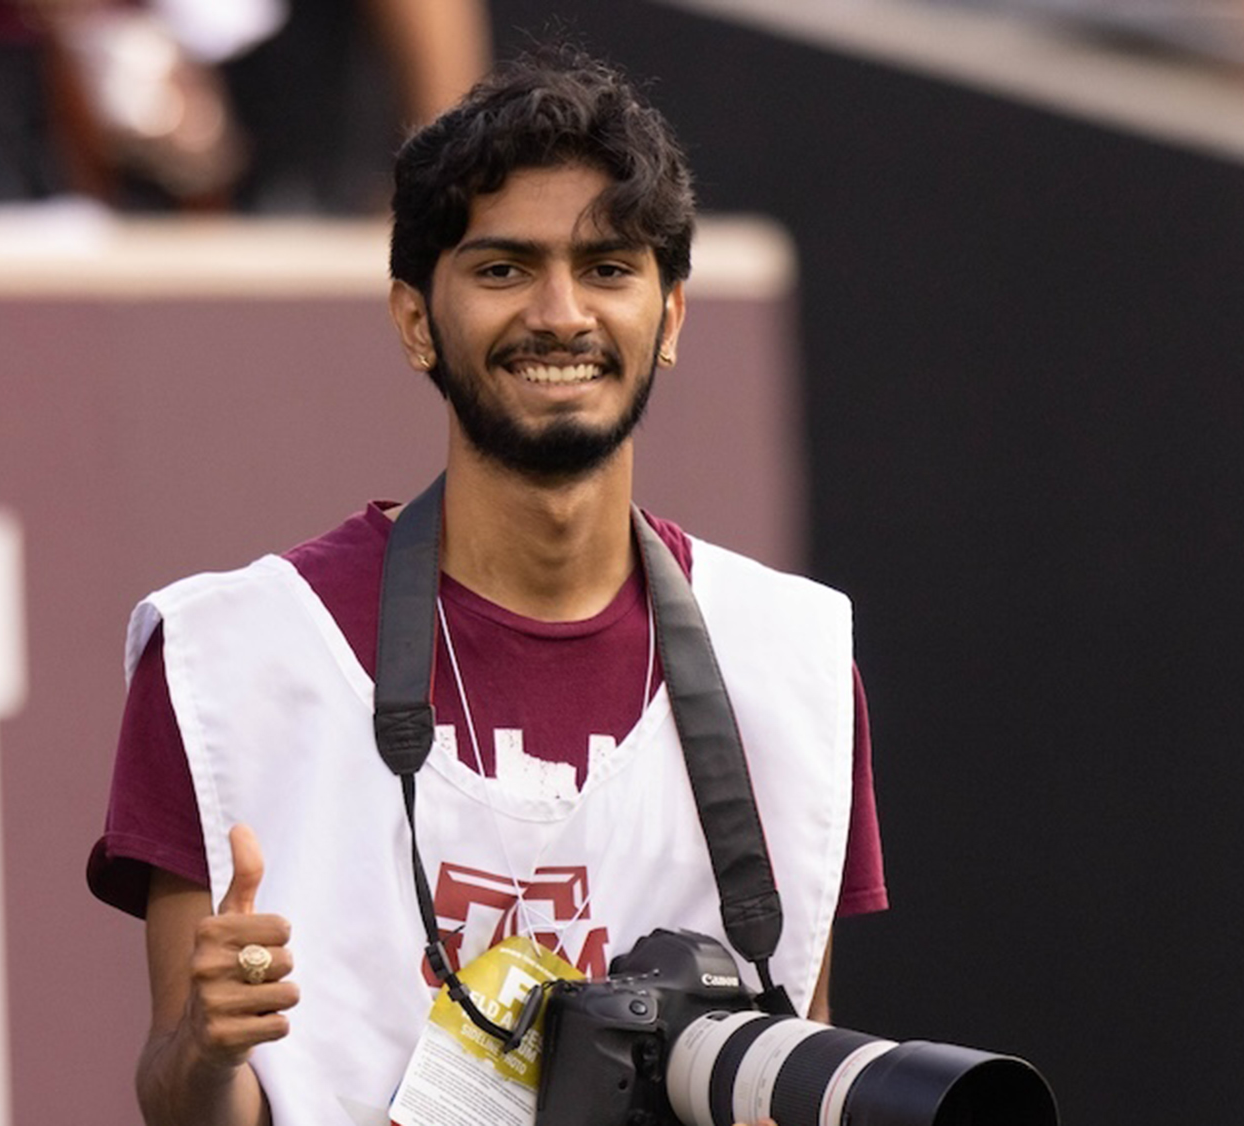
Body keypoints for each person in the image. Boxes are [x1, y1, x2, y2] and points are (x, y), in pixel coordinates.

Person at [85, 45, 888, 1126]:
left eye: (607, 268)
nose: (559, 314)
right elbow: (187, 1103)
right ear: (416, 319)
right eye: (503, 268)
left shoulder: (784, 662)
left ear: (673, 315)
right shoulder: (229, 656)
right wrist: (204, 1041)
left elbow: (789, 1066)